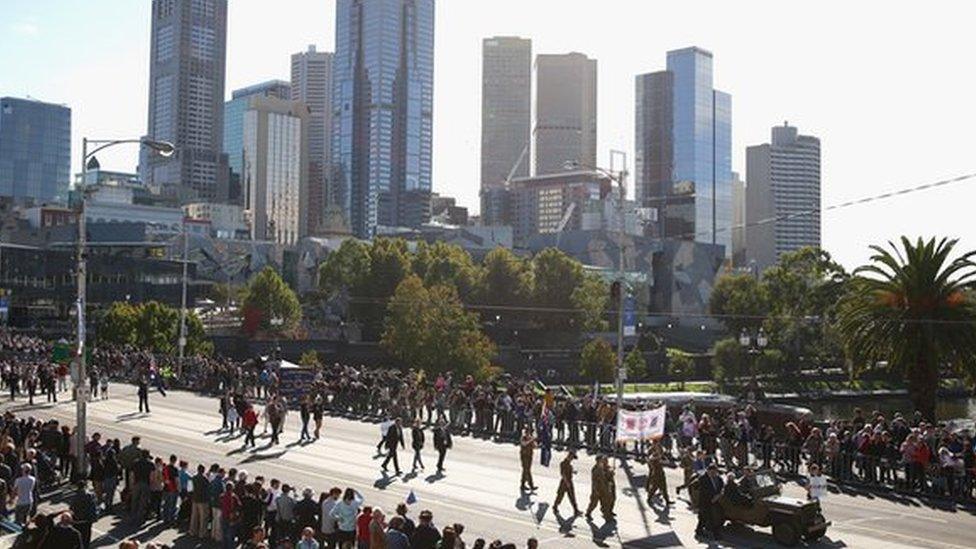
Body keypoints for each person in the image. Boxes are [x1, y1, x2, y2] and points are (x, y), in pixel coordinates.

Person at [696, 464, 724, 540]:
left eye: (715, 472)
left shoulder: (718, 478)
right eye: (712, 472)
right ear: (708, 471)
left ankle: (699, 531)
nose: (714, 473)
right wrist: (712, 498)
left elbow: (721, 486)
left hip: (715, 500)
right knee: (708, 518)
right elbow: (703, 491)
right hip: (705, 501)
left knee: (705, 518)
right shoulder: (703, 479)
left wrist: (718, 495)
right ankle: (716, 535)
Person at [69, 482, 98, 548]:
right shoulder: (91, 495)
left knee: (78, 537)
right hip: (87, 519)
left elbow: (71, 507)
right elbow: (94, 506)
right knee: (86, 537)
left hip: (77, 520)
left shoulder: (75, 496)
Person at [553, 451, 580, 516]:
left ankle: (576, 510)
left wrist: (573, 472)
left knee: (572, 497)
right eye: (572, 458)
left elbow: (568, 471)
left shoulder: (569, 464)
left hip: (569, 482)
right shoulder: (563, 463)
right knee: (560, 496)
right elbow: (563, 474)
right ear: (569, 456)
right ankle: (555, 507)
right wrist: (567, 482)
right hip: (564, 483)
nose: (572, 459)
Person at [190, 465, 211, 539]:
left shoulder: (194, 477)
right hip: (203, 500)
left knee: (194, 516)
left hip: (195, 498)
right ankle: (202, 533)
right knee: (203, 518)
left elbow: (190, 488)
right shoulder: (204, 478)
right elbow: (208, 487)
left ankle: (192, 531)